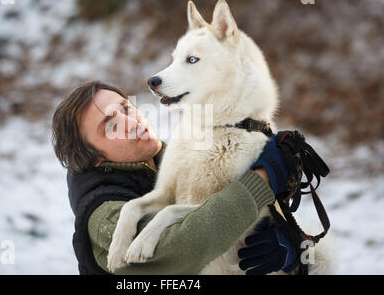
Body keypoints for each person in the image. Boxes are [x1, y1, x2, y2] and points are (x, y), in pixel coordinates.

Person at [52, 81, 299, 275]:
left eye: (126, 108)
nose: (131, 122)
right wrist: (263, 179)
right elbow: (183, 246)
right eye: (110, 126)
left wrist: (289, 249)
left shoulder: (176, 158)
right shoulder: (102, 216)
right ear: (95, 158)